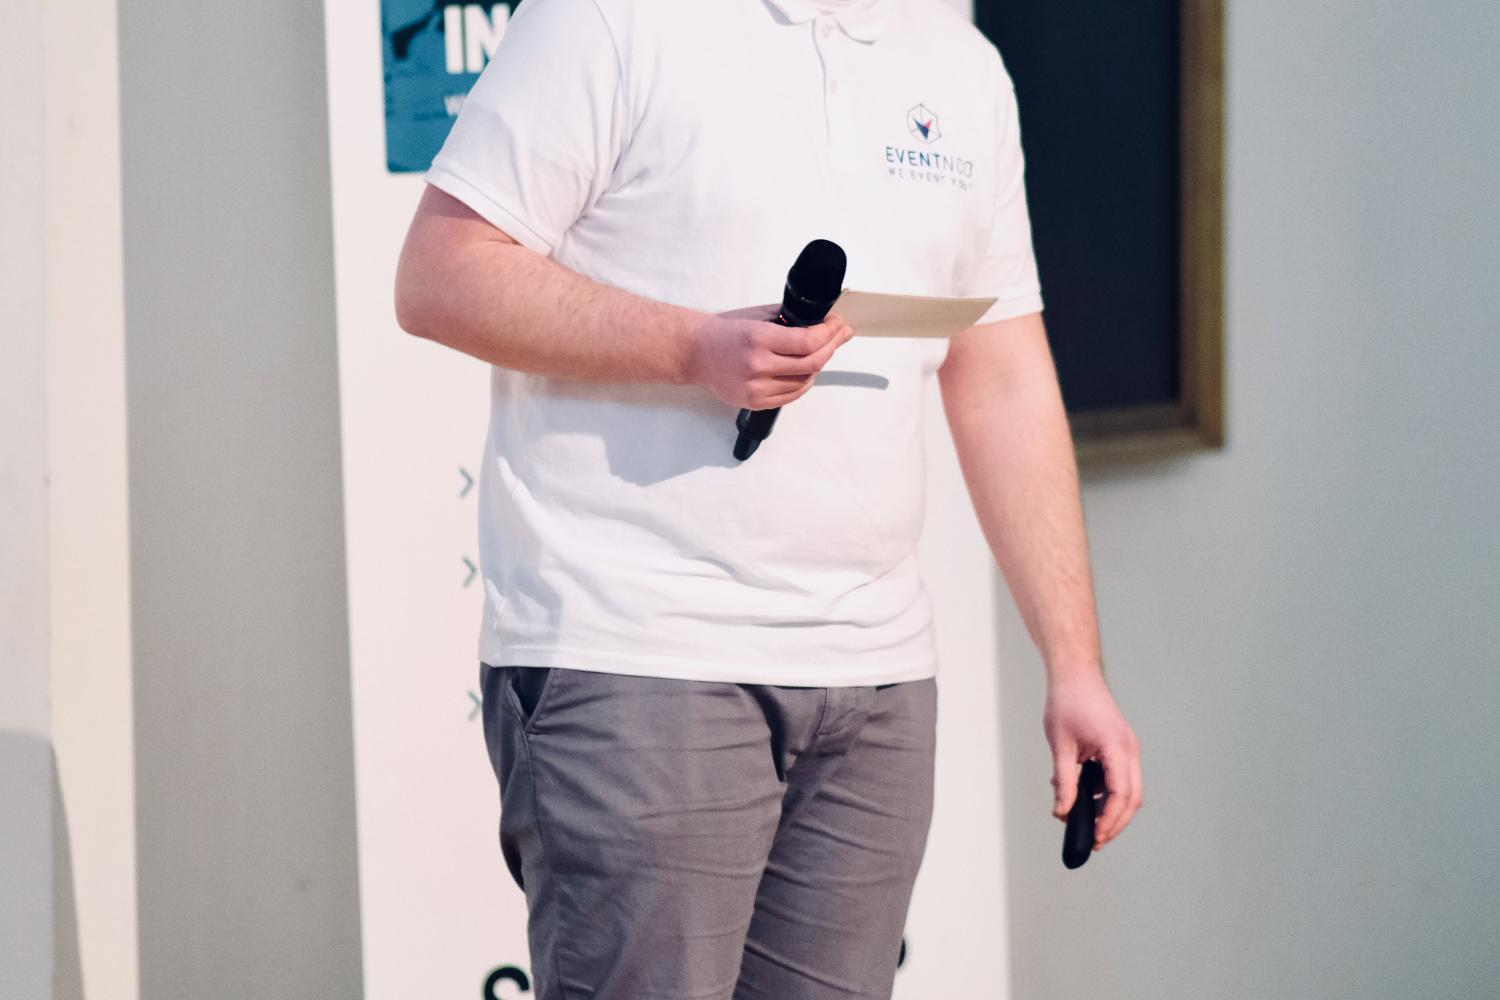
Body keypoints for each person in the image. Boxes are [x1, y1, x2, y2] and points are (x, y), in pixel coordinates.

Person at [394, 0, 1142, 995]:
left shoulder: (963, 65)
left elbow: (1001, 372)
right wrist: (690, 347)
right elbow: (439, 275)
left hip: (875, 684)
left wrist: (1075, 664)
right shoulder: (607, 17)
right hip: (640, 655)